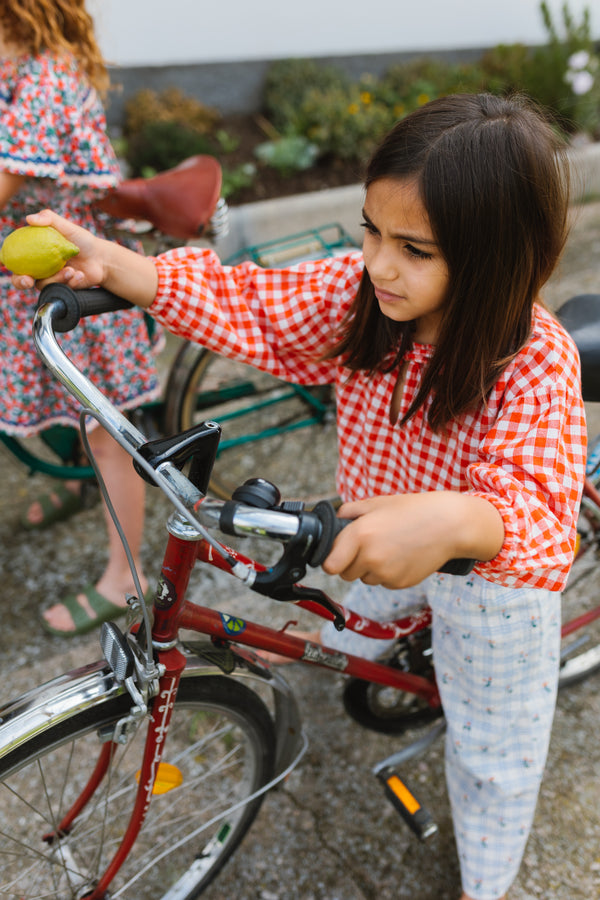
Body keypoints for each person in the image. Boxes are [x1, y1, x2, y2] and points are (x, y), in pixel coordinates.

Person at [12, 93, 586, 900]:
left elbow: (535, 514)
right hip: (377, 532)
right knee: (368, 618)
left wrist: (458, 516)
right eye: (372, 230)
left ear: (497, 257)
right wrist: (114, 264)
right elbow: (253, 305)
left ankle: (487, 883)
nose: (380, 264)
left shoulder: (533, 363)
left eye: (414, 248)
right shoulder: (367, 300)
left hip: (487, 585)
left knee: (495, 744)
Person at [0, 0, 161, 635]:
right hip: (33, 272)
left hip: (76, 277)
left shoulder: (44, 78)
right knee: (63, 399)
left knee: (106, 430)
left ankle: (128, 576)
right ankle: (78, 488)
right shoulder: (22, 68)